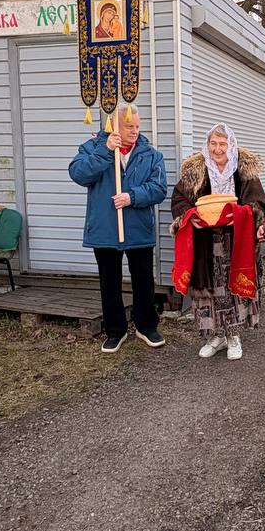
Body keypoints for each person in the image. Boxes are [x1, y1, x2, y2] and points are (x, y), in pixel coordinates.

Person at [68, 102, 168, 352]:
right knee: (109, 281)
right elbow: (78, 174)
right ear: (114, 124)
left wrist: (132, 197)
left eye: (137, 126)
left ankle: (146, 325)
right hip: (105, 228)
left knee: (143, 279)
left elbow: (159, 188)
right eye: (128, 126)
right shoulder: (93, 147)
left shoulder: (150, 154)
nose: (134, 131)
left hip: (137, 228)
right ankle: (115, 330)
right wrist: (105, 150)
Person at [171, 123, 265, 361]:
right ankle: (216, 335)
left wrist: (244, 214)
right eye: (213, 143)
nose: (217, 149)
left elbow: (258, 203)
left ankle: (234, 335)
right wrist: (188, 217)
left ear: (231, 145)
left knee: (233, 288)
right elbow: (180, 198)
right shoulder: (197, 171)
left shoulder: (244, 171)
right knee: (209, 288)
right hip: (205, 240)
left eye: (222, 144)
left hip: (236, 240)